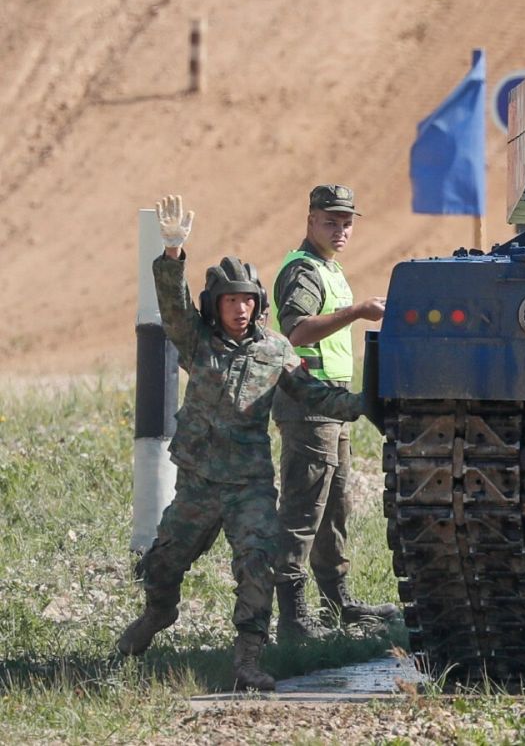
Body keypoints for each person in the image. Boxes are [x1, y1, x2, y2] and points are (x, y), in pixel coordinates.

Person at [117, 195, 367, 691]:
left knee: (257, 566)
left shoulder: (275, 351)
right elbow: (171, 308)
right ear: (215, 305)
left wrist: (369, 404)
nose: (241, 308)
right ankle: (156, 616)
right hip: (198, 484)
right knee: (164, 564)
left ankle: (248, 662)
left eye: (249, 299)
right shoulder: (197, 342)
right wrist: (172, 256)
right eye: (232, 300)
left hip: (249, 486)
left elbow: (314, 393)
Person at [270, 184, 393, 640]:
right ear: (310, 221)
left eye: (346, 223)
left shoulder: (328, 268)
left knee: (333, 509)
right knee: (304, 511)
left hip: (332, 405)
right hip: (308, 405)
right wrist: (357, 310)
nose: (340, 230)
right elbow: (297, 331)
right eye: (330, 222)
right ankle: (294, 617)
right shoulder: (304, 271)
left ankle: (337, 602)